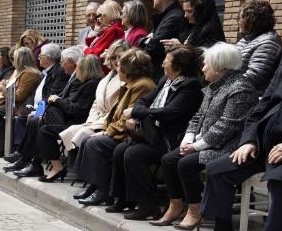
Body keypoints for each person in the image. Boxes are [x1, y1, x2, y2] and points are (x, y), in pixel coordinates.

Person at [192, 28, 282, 231]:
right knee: (218, 168)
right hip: (262, 144)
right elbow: (258, 110)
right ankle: (222, 230)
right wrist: (249, 140)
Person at [154, 42, 256, 229]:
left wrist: (196, 146)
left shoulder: (240, 88)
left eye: (206, 64)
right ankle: (176, 205)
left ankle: (195, 210)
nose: (202, 68)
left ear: (219, 66)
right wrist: (188, 139)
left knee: (186, 164)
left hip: (228, 146)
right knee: (168, 160)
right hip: (206, 142)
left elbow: (227, 126)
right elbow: (197, 116)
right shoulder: (214, 86)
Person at [108, 45, 204, 219]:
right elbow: (144, 101)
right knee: (120, 149)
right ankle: (124, 199)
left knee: (134, 154)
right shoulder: (165, 80)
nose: (162, 64)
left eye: (166, 61)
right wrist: (139, 111)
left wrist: (137, 113)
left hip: (171, 139)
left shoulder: (190, 86)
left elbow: (169, 112)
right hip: (154, 133)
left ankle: (149, 205)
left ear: (178, 67)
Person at [75, 49, 159, 206]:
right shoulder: (131, 84)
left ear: (129, 70)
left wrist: (107, 132)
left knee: (95, 144)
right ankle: (95, 185)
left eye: (120, 66)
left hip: (131, 135)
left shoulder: (143, 85)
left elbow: (129, 116)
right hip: (120, 131)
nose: (117, 68)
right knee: (88, 140)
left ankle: (103, 191)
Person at [14, 53, 101, 181]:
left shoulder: (88, 84)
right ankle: (28, 161)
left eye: (78, 67)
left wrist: (55, 102)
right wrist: (40, 110)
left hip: (76, 121)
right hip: (63, 115)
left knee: (42, 127)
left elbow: (75, 109)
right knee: (35, 121)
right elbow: (55, 97)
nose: (62, 65)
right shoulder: (76, 80)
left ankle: (41, 164)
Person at [61, 41, 129, 159]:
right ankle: (74, 168)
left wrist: (98, 124)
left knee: (83, 135)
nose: (117, 61)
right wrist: (91, 121)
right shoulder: (106, 78)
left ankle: (81, 169)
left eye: (120, 57)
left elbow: (119, 107)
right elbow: (96, 104)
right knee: (71, 131)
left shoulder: (127, 79)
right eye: (113, 57)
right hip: (96, 119)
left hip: (109, 122)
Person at [235, 0, 282, 92]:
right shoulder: (246, 38)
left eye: (240, 18)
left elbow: (253, 76)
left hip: (252, 95)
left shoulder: (268, 42)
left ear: (252, 20)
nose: (238, 21)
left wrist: (225, 85)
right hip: (236, 90)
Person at [144, 0, 185, 68]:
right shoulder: (166, 16)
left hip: (163, 68)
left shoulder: (174, 17)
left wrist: (145, 41)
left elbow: (153, 47)